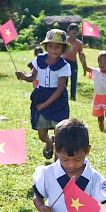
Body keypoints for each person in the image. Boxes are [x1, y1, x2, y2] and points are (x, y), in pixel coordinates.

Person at [15, 29, 72, 159]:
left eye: (58, 46)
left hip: (57, 100)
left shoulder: (64, 66)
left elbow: (59, 90)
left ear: (63, 48)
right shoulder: (39, 60)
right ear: (46, 46)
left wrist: (45, 105)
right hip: (41, 96)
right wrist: (24, 77)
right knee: (41, 133)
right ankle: (48, 143)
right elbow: (33, 76)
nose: (53, 49)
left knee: (59, 132)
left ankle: (57, 161)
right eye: (51, 46)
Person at [63, 23, 87, 101]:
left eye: (76, 30)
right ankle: (63, 95)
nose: (74, 31)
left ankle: (73, 97)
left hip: (73, 63)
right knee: (64, 80)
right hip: (64, 62)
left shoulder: (79, 43)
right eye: (72, 29)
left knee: (74, 80)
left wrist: (84, 67)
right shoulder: (64, 40)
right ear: (68, 31)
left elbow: (81, 56)